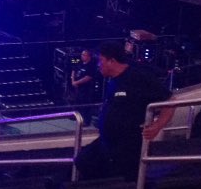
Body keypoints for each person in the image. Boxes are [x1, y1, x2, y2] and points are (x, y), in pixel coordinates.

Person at [74, 41, 175, 181]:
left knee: (121, 177)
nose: (98, 65)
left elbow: (170, 100)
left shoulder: (137, 77)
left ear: (112, 61)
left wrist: (157, 126)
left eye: (101, 61)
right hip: (108, 140)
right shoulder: (113, 80)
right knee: (83, 161)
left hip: (128, 143)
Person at [69, 48, 100, 124]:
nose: (82, 56)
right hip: (78, 88)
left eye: (84, 55)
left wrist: (77, 82)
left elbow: (88, 77)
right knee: (77, 102)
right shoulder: (80, 63)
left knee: (86, 104)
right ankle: (76, 116)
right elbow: (73, 71)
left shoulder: (91, 66)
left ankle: (86, 120)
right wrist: (73, 81)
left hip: (87, 89)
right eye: (82, 54)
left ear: (89, 56)